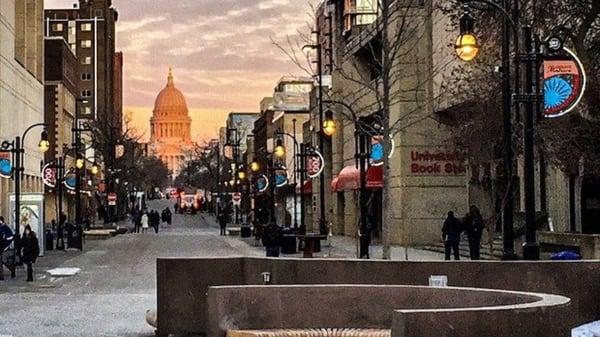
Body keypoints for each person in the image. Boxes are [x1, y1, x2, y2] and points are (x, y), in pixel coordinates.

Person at [0, 216, 15, 281]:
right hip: (1, 246)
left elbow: (11, 237)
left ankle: (11, 268)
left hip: (4, 247)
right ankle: (1, 275)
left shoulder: (6, 228)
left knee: (3, 260)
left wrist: (6, 242)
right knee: (1, 261)